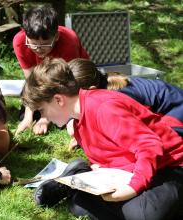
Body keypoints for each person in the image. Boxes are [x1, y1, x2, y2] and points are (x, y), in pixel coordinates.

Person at [21, 58, 183, 219]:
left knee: (146, 215)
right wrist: (103, 169)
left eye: (42, 110)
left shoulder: (104, 107)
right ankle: (80, 176)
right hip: (132, 168)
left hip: (170, 164)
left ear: (58, 100)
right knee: (79, 207)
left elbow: (149, 145)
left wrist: (133, 188)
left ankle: (80, 178)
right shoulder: (77, 121)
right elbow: (110, 151)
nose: (43, 117)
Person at [67, 58, 183, 149]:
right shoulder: (103, 86)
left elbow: (131, 134)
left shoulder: (115, 99)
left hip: (176, 112)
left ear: (91, 90)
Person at [13, 6, 89, 135]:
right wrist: (28, 116)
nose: (38, 49)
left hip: (73, 80)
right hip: (43, 79)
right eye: (33, 43)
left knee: (66, 117)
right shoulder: (20, 42)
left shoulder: (69, 41)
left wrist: (45, 117)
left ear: (57, 36)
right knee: (25, 115)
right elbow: (32, 81)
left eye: (45, 44)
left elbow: (66, 84)